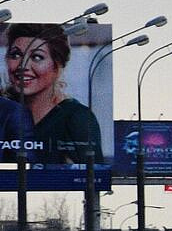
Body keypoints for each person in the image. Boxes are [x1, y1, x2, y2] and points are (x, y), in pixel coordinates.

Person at [4, 23, 101, 164]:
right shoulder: (5, 113)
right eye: (16, 55)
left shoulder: (77, 117)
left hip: (56, 186)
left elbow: (94, 175)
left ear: (57, 65)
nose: (23, 66)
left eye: (37, 57)